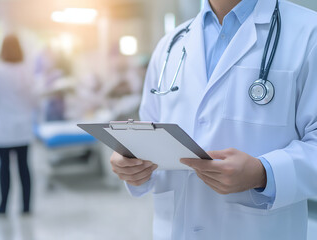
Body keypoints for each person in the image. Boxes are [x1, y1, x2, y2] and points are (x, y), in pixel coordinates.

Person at [110, 0, 317, 239]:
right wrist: (133, 164)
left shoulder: (308, 33)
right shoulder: (171, 43)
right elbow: (149, 133)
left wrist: (264, 173)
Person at [0, 34, 36, 214]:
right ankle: (26, 207)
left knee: (3, 168)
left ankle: (3, 206)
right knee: (24, 167)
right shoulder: (26, 71)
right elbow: (34, 100)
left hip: (2, 127)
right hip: (22, 128)